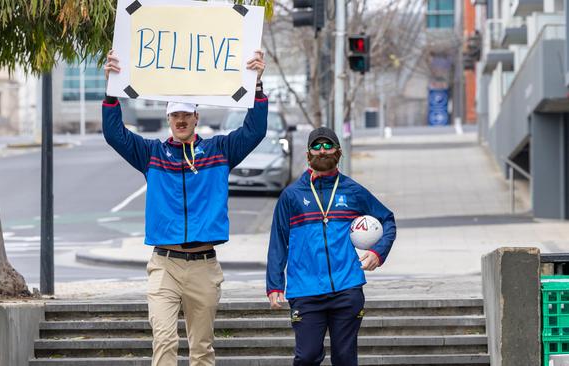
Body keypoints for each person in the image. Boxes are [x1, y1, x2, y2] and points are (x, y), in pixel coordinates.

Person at [103, 50, 268, 366]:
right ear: (168, 119)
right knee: (163, 342)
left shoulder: (220, 150)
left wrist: (257, 86)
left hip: (204, 266)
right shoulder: (151, 154)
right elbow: (115, 134)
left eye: (186, 115)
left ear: (196, 118)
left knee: (202, 349)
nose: (180, 120)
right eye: (175, 115)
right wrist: (112, 89)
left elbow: (254, 132)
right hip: (165, 265)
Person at [266, 127, 396, 366]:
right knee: (306, 357)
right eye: (316, 146)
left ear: (338, 153)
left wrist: (379, 252)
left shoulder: (353, 191)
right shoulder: (291, 196)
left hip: (347, 288)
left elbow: (387, 220)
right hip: (305, 291)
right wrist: (274, 284)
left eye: (328, 146)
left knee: (345, 358)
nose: (322, 150)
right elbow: (278, 241)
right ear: (307, 155)